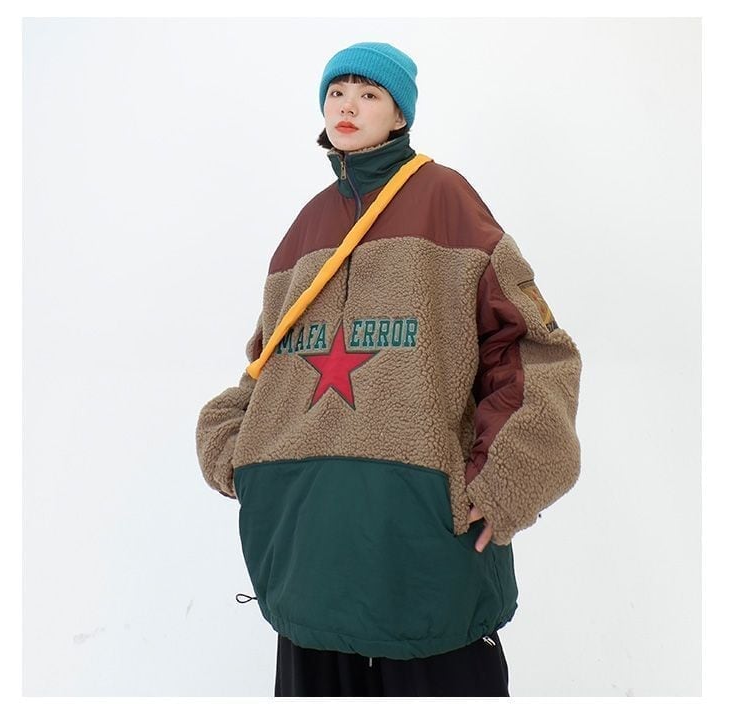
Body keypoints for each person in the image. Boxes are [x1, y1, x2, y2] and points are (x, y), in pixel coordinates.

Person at [196, 41, 582, 697]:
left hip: (424, 555)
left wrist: (502, 479)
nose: (348, 104)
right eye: (337, 91)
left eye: (369, 93)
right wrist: (241, 454)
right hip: (307, 561)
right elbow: (267, 366)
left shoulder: (448, 200)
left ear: (400, 114)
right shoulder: (305, 227)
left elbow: (532, 350)